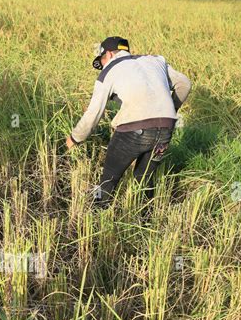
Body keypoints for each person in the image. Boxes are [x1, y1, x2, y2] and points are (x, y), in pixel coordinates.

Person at [66, 36, 191, 206]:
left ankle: (96, 213)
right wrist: (170, 111)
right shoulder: (155, 61)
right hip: (165, 129)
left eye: (101, 61)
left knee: (107, 181)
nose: (102, 66)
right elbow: (184, 83)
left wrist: (74, 138)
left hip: (133, 131)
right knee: (144, 180)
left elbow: (93, 113)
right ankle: (147, 221)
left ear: (109, 54)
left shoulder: (109, 71)